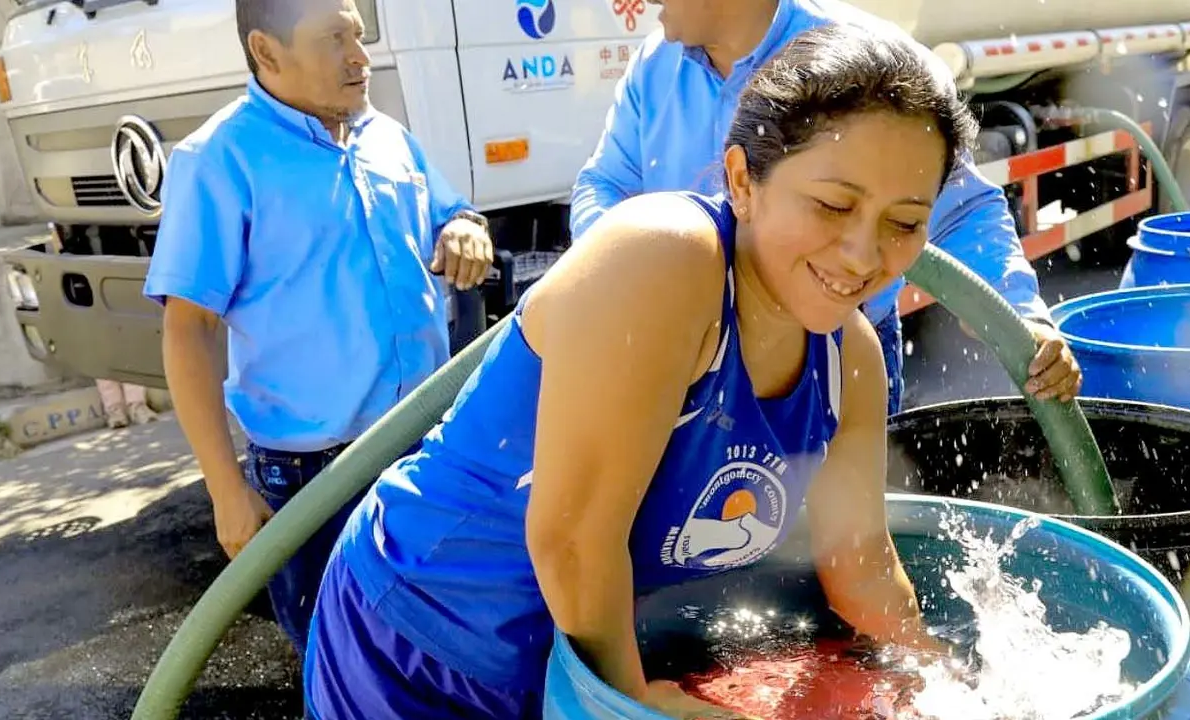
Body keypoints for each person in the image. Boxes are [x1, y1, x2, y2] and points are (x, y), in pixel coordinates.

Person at [304, 23, 976, 720]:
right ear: (743, 181)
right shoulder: (666, 261)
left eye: (904, 223)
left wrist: (946, 679)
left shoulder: (851, 360)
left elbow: (860, 560)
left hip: (572, 648)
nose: (864, 254)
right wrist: (631, 702)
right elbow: (571, 539)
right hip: (427, 640)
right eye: (834, 205)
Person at [142, 0, 493, 656]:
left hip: (425, 451)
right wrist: (226, 490)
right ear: (267, 53)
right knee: (345, 667)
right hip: (314, 482)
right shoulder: (221, 159)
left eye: (359, 35)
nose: (361, 56)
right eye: (336, 39)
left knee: (442, 656)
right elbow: (188, 331)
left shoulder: (385, 136)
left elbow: (449, 211)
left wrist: (464, 226)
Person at [571, 0, 1082, 416]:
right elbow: (607, 182)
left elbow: (961, 210)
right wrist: (622, 280)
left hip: (837, 342)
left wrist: (1018, 318)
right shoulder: (655, 64)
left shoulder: (863, 65)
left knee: (841, 528)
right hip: (690, 344)